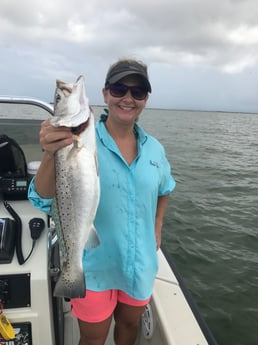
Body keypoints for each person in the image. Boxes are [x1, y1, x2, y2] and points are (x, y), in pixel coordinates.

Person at [28, 58, 176, 345]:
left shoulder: (155, 149)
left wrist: (158, 224)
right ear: (106, 94)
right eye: (120, 89)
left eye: (138, 92)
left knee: (129, 326)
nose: (128, 98)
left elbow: (166, 188)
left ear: (146, 99)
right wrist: (51, 152)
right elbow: (41, 198)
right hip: (93, 265)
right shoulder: (75, 138)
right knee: (93, 338)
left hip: (139, 263)